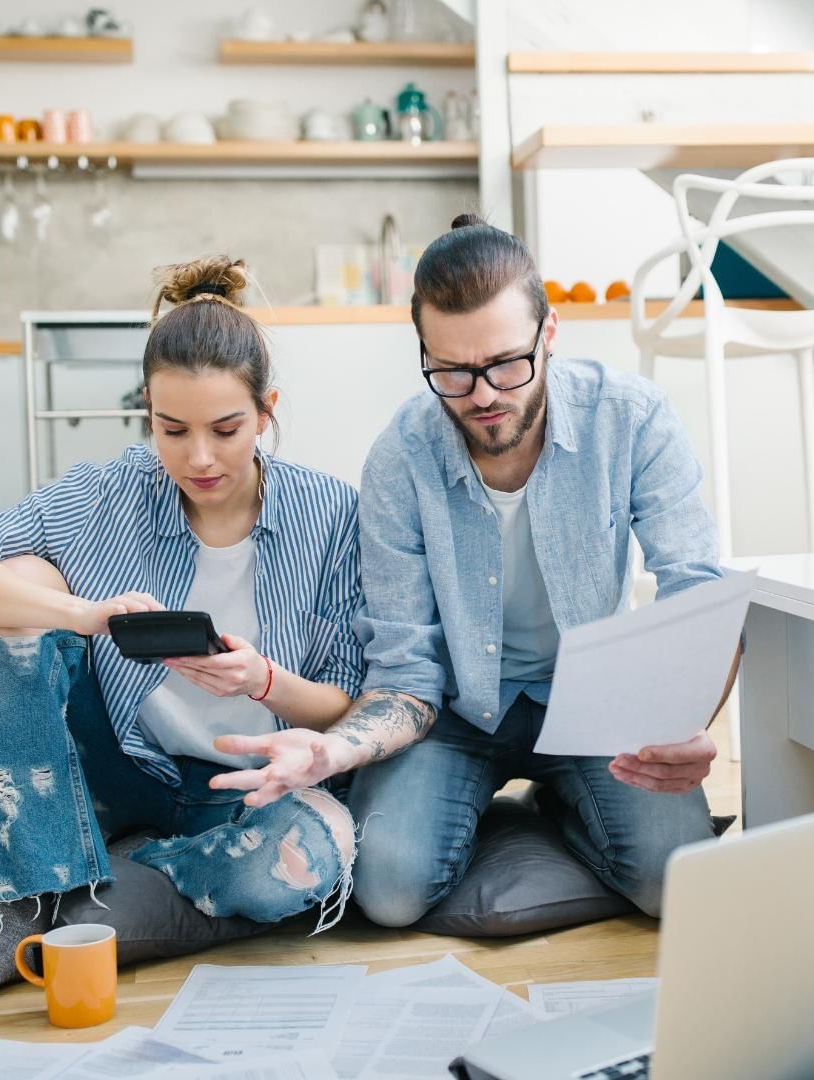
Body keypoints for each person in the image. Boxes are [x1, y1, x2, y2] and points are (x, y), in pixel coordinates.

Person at [210, 215, 739, 927]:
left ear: (549, 334)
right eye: (452, 372)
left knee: (676, 883)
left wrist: (686, 722)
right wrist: (335, 751)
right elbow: (405, 670)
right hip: (455, 712)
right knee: (389, 893)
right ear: (424, 352)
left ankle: (557, 799)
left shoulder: (632, 417)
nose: (484, 394)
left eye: (506, 365)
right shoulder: (399, 459)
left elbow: (696, 589)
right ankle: (518, 800)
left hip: (594, 702)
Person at [0, 256, 364, 1026]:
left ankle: (103, 874)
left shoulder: (332, 512)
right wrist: (82, 613)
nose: (198, 458)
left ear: (267, 411)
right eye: (172, 429)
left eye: (226, 429)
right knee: (22, 582)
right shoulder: (108, 491)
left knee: (306, 862)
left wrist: (260, 680)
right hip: (124, 768)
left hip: (240, 794)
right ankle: (20, 908)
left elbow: (346, 699)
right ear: (147, 412)